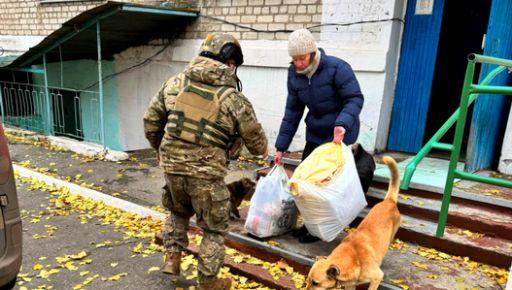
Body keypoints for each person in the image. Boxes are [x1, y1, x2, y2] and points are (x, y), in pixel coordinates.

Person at [143, 33, 268, 290]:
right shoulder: (234, 99)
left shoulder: (174, 84)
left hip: (172, 167)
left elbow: (151, 121)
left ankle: (172, 258)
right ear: (231, 63)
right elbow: (258, 146)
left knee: (177, 210)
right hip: (207, 176)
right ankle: (209, 282)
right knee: (213, 228)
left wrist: (160, 149)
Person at [274, 28, 364, 243]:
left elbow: (354, 99)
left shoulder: (337, 68)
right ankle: (312, 225)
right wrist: (281, 146)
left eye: (302, 58)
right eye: (294, 59)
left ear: (313, 53)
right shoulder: (294, 75)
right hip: (315, 133)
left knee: (327, 183)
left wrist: (342, 124)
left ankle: (324, 227)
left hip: (339, 134)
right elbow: (292, 111)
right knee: (306, 182)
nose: (298, 64)